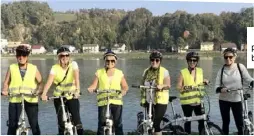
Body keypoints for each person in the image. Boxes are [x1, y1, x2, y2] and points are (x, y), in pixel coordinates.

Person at [41, 46, 84, 135]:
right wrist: (44, 94)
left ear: (69, 56)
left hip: (71, 95)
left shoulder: (74, 64)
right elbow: (49, 82)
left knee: (77, 121)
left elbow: (77, 79)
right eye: (62, 56)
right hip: (58, 96)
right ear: (58, 57)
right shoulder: (54, 68)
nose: (65, 58)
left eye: (67, 55)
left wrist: (77, 90)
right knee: (61, 123)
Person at [2, 45, 43, 135]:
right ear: (16, 56)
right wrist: (4, 90)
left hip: (31, 99)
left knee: (34, 125)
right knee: (12, 125)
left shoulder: (33, 68)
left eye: (24, 55)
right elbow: (6, 83)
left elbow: (40, 82)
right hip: (15, 99)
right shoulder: (12, 67)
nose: (21, 57)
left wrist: (39, 91)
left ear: (27, 56)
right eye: (19, 55)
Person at [87, 50, 129, 135]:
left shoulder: (119, 73)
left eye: (112, 60)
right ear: (105, 61)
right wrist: (91, 88)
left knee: (118, 124)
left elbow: (125, 86)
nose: (110, 62)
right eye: (108, 60)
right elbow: (94, 85)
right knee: (101, 125)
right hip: (103, 102)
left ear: (115, 61)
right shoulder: (99, 72)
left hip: (116, 102)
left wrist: (124, 90)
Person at [215, 47, 254, 135]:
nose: (228, 59)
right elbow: (216, 86)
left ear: (234, 57)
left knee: (239, 123)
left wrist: (252, 82)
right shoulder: (221, 71)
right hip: (224, 100)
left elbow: (248, 78)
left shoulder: (240, 67)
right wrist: (221, 89)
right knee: (225, 122)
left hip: (237, 99)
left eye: (230, 57)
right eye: (226, 57)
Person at [177, 51, 209, 134]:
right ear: (187, 61)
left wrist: (205, 81)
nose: (192, 62)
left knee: (202, 122)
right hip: (187, 103)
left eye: (194, 60)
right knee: (188, 123)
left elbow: (198, 82)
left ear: (197, 62)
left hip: (199, 101)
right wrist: (185, 88)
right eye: (190, 60)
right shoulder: (183, 72)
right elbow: (178, 87)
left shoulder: (200, 71)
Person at [140, 50, 171, 135]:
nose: (154, 62)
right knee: (149, 122)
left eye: (157, 60)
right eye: (152, 60)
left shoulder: (164, 71)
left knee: (156, 124)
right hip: (149, 100)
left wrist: (162, 86)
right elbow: (142, 86)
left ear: (160, 61)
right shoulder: (146, 72)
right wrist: (142, 100)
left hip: (161, 101)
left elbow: (168, 85)